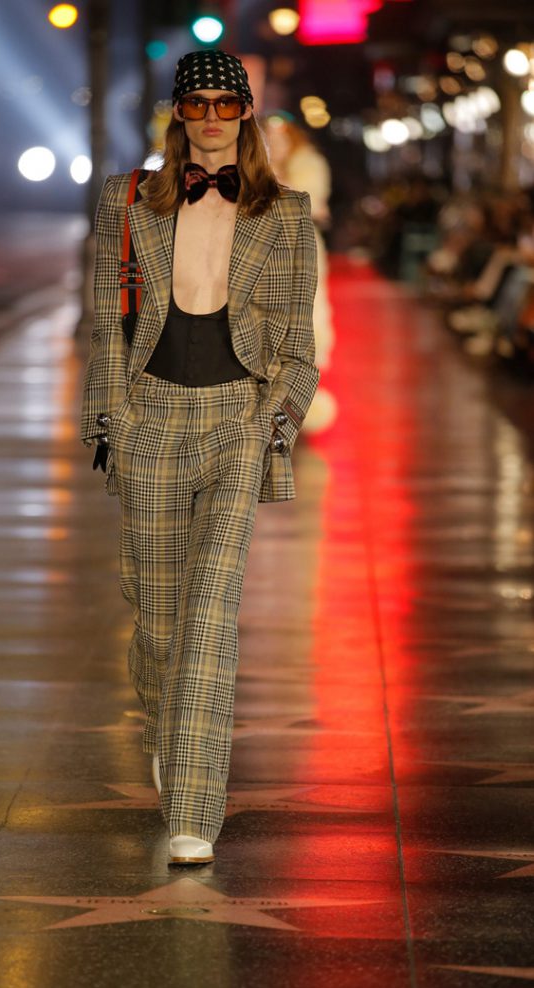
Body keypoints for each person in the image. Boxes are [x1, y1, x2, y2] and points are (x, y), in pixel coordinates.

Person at [81, 50, 319, 865]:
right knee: (157, 621)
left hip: (234, 422)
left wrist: (271, 426)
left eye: (225, 103)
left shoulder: (285, 212)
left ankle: (192, 810)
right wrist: (109, 424)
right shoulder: (125, 201)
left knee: (210, 616)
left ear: (245, 112)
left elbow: (297, 344)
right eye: (196, 103)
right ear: (176, 113)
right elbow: (105, 326)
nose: (211, 117)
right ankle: (167, 736)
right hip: (147, 417)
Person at [262, 114, 337, 432]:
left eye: (280, 136)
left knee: (306, 319)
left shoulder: (308, 165)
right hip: (265, 251)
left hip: (301, 249)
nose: (274, 142)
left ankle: (299, 399)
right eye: (269, 136)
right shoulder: (255, 165)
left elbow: (312, 204)